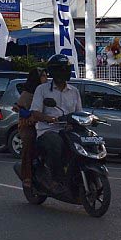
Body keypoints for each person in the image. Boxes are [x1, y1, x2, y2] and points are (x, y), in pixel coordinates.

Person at [32, 55, 82, 187]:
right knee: (55, 144)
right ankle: (56, 180)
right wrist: (49, 119)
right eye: (62, 69)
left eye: (67, 69)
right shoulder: (42, 89)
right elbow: (35, 112)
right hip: (48, 131)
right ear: (54, 71)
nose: (65, 72)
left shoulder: (74, 91)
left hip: (68, 131)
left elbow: (79, 113)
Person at [14, 67, 47, 190]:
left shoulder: (46, 92)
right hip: (29, 125)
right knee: (29, 143)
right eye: (43, 76)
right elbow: (20, 110)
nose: (46, 78)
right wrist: (32, 116)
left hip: (45, 124)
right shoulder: (27, 94)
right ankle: (27, 176)